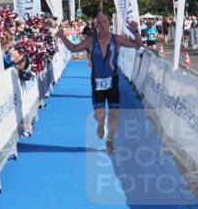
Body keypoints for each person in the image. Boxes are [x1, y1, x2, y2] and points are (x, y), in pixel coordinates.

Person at [56, 12, 142, 152]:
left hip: (113, 81)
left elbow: (138, 45)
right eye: (99, 22)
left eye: (104, 22)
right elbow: (74, 49)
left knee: (115, 116)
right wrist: (62, 37)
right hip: (97, 82)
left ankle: (110, 141)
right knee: (100, 115)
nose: (102, 24)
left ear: (109, 24)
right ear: (95, 25)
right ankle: (101, 123)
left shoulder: (117, 39)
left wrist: (135, 31)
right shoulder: (91, 40)